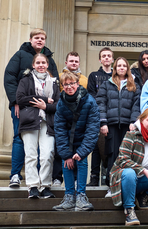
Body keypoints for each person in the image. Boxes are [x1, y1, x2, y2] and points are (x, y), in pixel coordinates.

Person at [4, 28, 58, 188]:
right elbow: (9, 78)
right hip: (23, 108)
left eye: (42, 38)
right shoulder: (20, 55)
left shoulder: (50, 59)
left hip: (44, 111)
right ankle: (15, 175)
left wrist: (50, 106)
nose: (39, 40)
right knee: (19, 140)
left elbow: (55, 85)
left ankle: (41, 179)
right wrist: (15, 102)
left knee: (44, 146)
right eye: (36, 37)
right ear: (31, 39)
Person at [52, 72, 100, 211]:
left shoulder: (90, 101)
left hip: (83, 138)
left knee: (82, 160)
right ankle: (68, 197)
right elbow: (59, 130)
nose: (69, 87)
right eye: (66, 84)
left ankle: (81, 196)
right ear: (62, 86)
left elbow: (92, 129)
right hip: (67, 139)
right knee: (65, 160)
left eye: (72, 83)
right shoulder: (61, 104)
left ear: (77, 84)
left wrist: (82, 151)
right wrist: (66, 154)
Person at [16, 53, 60, 198]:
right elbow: (21, 99)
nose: (41, 65)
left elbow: (59, 105)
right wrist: (44, 100)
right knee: (31, 155)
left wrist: (45, 107)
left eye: (44, 63)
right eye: (38, 63)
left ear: (47, 65)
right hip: (30, 121)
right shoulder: (25, 80)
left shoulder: (54, 82)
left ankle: (45, 186)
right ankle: (33, 186)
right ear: (33, 65)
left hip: (48, 122)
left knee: (47, 155)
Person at [96, 57, 141, 197]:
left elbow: (137, 104)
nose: (121, 68)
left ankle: (125, 186)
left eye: (124, 66)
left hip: (128, 126)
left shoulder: (134, 85)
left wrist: (133, 121)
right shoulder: (107, 84)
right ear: (115, 68)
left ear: (127, 68)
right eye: (119, 66)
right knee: (113, 155)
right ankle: (112, 186)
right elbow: (101, 103)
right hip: (112, 125)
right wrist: (103, 122)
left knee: (127, 156)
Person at [87, 47, 114, 187]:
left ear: (112, 59)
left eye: (109, 56)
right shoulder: (93, 76)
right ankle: (94, 177)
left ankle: (110, 177)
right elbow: (91, 94)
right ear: (100, 59)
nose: (106, 58)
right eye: (104, 56)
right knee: (96, 147)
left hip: (114, 116)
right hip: (97, 115)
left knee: (112, 147)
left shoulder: (117, 76)